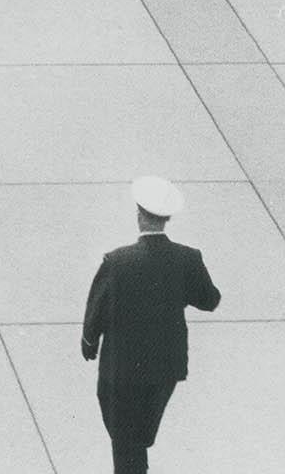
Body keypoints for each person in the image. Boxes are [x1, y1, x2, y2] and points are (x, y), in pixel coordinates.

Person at [82, 177, 220, 474]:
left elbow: (98, 305)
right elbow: (210, 300)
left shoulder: (117, 261)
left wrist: (89, 341)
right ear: (167, 219)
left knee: (124, 439)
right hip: (165, 367)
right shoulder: (188, 258)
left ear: (139, 215)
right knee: (139, 435)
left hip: (121, 367)